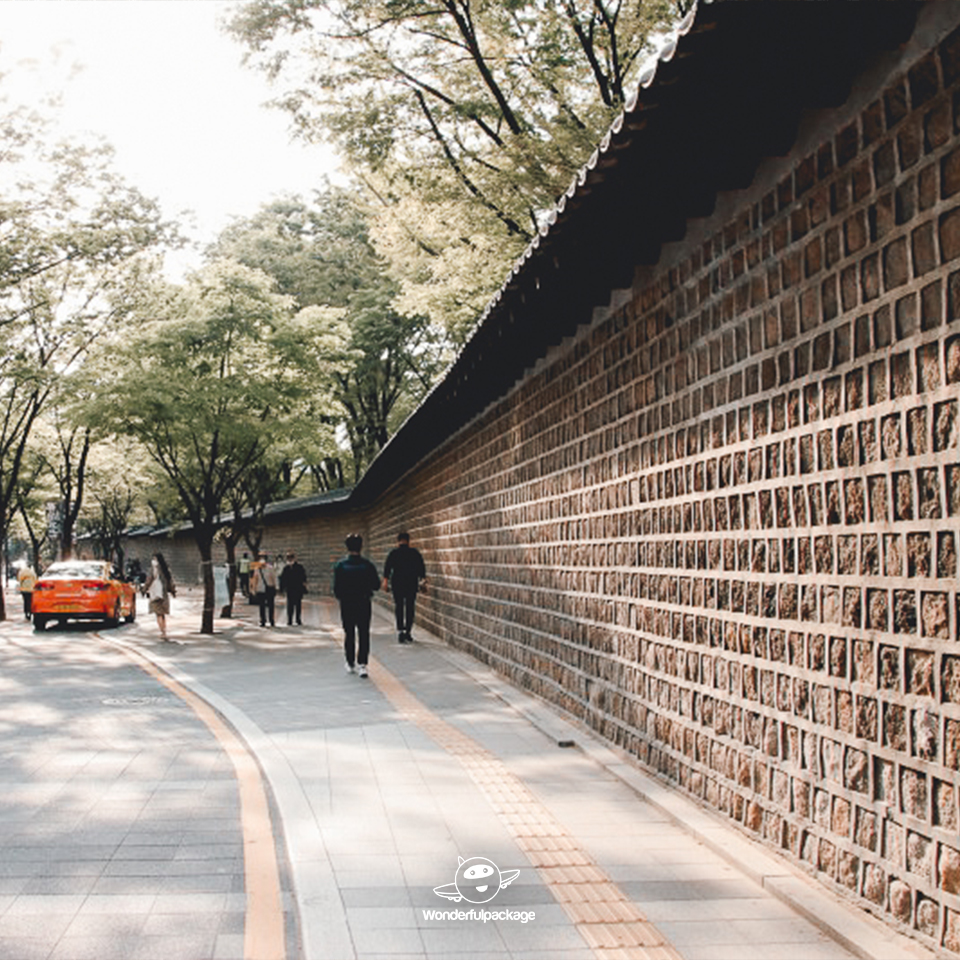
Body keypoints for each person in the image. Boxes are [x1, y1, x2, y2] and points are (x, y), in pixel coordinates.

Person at [333, 534, 380, 678]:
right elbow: (376, 585)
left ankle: (350, 662)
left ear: (347, 547)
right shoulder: (367, 565)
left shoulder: (341, 566)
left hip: (347, 604)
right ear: (361, 546)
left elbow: (336, 588)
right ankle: (362, 664)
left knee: (349, 633)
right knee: (364, 633)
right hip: (363, 602)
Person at [382, 531, 427, 643]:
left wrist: (385, 582)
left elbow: (387, 568)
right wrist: (423, 581)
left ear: (398, 541)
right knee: (410, 607)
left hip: (398, 583)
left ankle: (400, 631)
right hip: (411, 583)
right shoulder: (414, 553)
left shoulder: (394, 553)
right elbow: (421, 569)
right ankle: (408, 632)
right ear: (409, 541)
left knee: (399, 606)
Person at [143, 552, 176, 641]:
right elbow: (170, 581)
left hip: (155, 592)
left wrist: (144, 589)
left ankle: (162, 632)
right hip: (163, 593)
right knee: (162, 614)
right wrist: (173, 591)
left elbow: (150, 579)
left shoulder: (154, 568)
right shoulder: (165, 569)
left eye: (154, 558)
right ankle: (164, 632)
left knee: (158, 613)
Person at [279, 551, 307, 626]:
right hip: (290, 589)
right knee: (290, 605)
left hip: (298, 589)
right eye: (288, 558)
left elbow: (303, 577)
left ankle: (298, 619)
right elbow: (283, 579)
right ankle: (290, 620)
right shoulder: (286, 568)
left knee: (298, 605)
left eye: (291, 558)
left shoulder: (299, 567)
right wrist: (282, 588)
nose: (290, 560)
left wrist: (304, 585)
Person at [250, 553, 277, 627]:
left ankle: (271, 620)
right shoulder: (257, 569)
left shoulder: (270, 568)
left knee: (271, 605)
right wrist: (254, 588)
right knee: (262, 606)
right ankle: (263, 620)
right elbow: (255, 579)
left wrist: (275, 587)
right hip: (261, 589)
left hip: (269, 588)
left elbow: (274, 578)